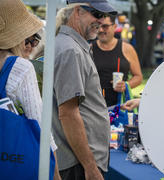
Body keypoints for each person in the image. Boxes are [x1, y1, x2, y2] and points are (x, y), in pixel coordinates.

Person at [0, 0, 61, 179]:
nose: (31, 45)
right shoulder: (20, 67)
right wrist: (55, 173)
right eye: (28, 39)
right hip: (9, 162)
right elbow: (40, 127)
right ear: (16, 34)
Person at [52, 0, 117, 179]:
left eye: (104, 16)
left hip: (76, 160)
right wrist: (90, 167)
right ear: (77, 11)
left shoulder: (70, 45)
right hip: (78, 164)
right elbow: (68, 113)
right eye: (97, 14)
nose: (102, 21)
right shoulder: (70, 50)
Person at [92, 15, 142, 107]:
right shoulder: (90, 49)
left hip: (121, 105)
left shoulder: (127, 48)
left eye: (105, 26)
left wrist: (126, 85)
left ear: (114, 27)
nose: (101, 30)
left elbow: (138, 77)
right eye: (98, 26)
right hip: (95, 106)